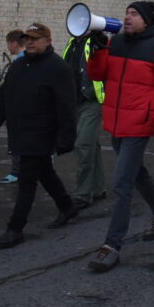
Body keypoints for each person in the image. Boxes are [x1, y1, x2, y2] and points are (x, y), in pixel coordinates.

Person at [86, 1, 154, 272]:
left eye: (134, 14)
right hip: (116, 121)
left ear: (146, 20)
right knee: (136, 173)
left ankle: (112, 245)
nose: (127, 17)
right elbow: (97, 74)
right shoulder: (115, 42)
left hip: (139, 123)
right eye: (127, 13)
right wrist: (97, 51)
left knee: (122, 184)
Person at [0, 23, 78, 248]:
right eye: (27, 39)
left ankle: (15, 228)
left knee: (27, 180)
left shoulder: (58, 68)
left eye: (35, 38)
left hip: (42, 133)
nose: (30, 42)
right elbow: (3, 97)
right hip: (20, 132)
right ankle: (67, 207)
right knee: (45, 172)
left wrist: (66, 138)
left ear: (48, 41)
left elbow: (67, 107)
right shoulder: (18, 66)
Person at [62, 31, 107, 211]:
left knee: (83, 145)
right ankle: (98, 188)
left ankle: (82, 194)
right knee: (91, 145)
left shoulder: (96, 42)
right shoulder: (72, 44)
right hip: (75, 102)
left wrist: (100, 44)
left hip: (92, 100)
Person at [0, 29, 26, 185]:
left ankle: (17, 173)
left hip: (20, 110)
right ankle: (17, 172)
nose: (8, 47)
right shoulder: (22, 59)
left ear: (14, 43)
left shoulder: (20, 61)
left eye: (8, 43)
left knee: (18, 141)